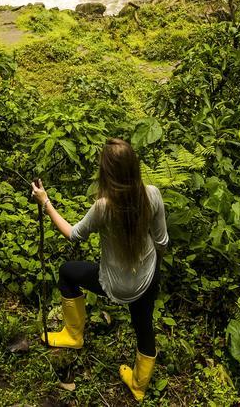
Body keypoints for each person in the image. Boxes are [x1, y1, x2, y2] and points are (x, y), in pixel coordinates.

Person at [31, 137, 169, 402]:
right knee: (144, 326)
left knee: (68, 272)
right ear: (135, 167)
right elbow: (162, 242)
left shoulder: (103, 207)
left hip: (113, 284)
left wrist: (45, 202)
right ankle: (139, 386)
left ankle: (73, 335)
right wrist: (153, 274)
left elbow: (73, 234)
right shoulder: (152, 194)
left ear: (106, 173)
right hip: (147, 278)